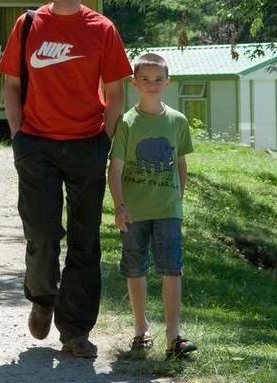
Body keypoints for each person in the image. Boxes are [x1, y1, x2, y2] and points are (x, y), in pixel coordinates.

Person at [0, 0, 132, 358]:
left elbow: (114, 92)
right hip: (36, 145)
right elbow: (11, 85)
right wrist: (18, 135)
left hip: (87, 144)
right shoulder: (28, 24)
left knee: (85, 240)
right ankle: (42, 298)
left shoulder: (102, 29)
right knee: (41, 231)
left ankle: (75, 331)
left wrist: (105, 139)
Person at [108, 52, 198, 359]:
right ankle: (140, 329)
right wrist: (120, 206)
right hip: (134, 212)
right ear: (134, 83)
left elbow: (181, 164)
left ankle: (173, 335)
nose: (152, 84)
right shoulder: (126, 123)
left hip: (168, 210)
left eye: (158, 79)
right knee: (135, 268)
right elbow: (115, 169)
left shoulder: (178, 121)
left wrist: (177, 198)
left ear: (167, 82)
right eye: (145, 79)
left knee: (172, 269)